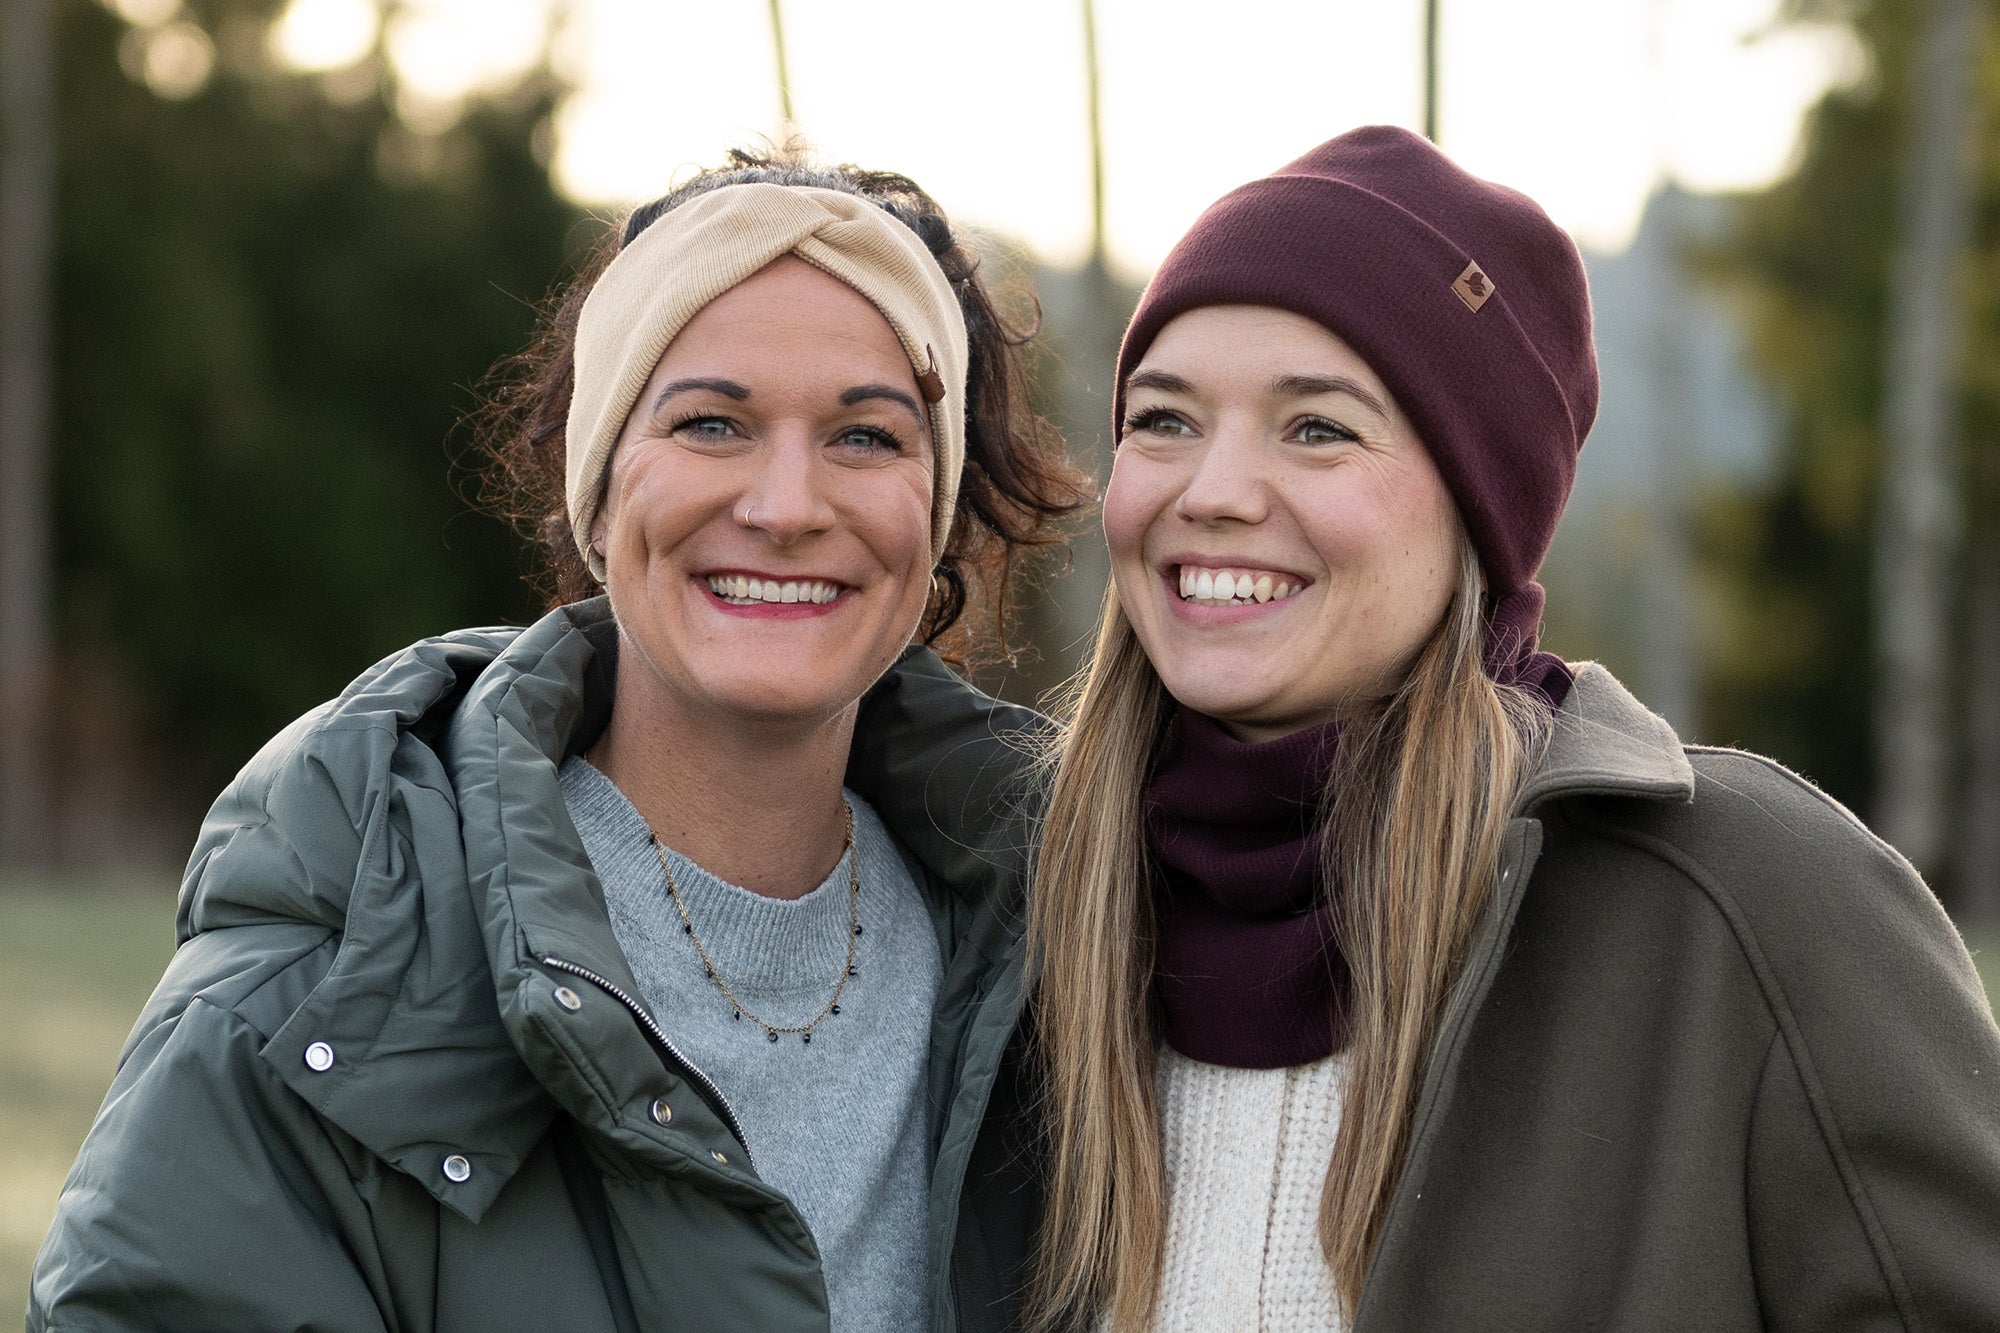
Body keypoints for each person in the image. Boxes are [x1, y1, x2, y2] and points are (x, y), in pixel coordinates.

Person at [30, 148, 1086, 1332]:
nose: (787, 506)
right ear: (596, 487)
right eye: (710, 423)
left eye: (866, 437)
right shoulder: (319, 996)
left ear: (934, 510)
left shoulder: (1068, 967)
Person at [1024, 126, 2000, 1331]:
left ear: (1477, 498)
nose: (1210, 490)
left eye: (1316, 427)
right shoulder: (1022, 925)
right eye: (1162, 419)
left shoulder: (1745, 905)